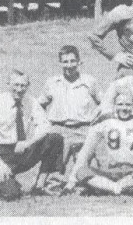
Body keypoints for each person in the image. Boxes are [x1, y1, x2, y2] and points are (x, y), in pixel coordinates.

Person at [71, 89, 133, 195]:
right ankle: (117, 188)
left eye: (128, 105)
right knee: (81, 171)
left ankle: (109, 188)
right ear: (114, 105)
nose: (124, 108)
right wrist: (71, 181)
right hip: (110, 171)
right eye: (120, 104)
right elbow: (86, 152)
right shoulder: (104, 121)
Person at [0, 71, 65, 199]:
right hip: (1, 153)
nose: (19, 89)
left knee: (55, 139)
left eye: (23, 85)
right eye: (16, 85)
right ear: (8, 84)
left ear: (28, 86)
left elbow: (45, 126)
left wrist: (28, 143)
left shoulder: (31, 101)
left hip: (22, 150)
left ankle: (40, 186)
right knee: (12, 194)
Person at [38, 45, 102, 177]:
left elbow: (104, 103)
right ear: (60, 63)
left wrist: (96, 122)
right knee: (53, 173)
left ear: (79, 62)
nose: (69, 65)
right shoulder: (52, 83)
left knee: (84, 171)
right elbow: (39, 105)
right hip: (59, 130)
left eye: (73, 61)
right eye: (65, 62)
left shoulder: (89, 82)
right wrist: (44, 124)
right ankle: (51, 179)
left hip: (83, 130)